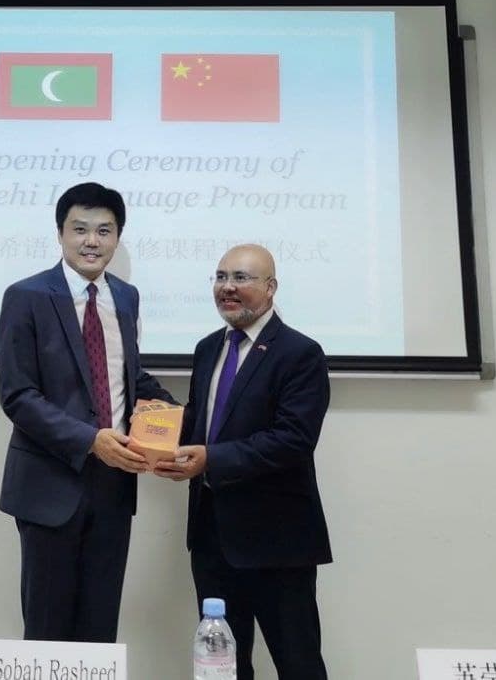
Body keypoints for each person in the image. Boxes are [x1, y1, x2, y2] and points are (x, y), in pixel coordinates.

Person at [0, 181, 175, 643]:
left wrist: (180, 415)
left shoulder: (126, 297)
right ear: (60, 233)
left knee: (100, 626)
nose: (91, 241)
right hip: (50, 484)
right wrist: (89, 440)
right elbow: (18, 395)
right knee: (47, 628)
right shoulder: (27, 296)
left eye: (104, 230)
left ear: (117, 238)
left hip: (114, 485)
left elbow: (128, 378)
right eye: (80, 229)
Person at [156, 243, 331, 680]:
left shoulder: (300, 353)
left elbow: (293, 440)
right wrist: (159, 429)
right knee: (222, 667)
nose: (227, 288)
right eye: (220, 277)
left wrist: (209, 459)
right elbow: (204, 424)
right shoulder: (207, 348)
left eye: (241, 278)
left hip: (277, 541)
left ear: (271, 288)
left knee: (298, 664)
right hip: (212, 538)